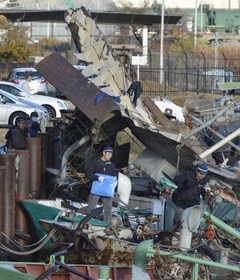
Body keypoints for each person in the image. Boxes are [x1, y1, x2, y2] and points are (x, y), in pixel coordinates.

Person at [172, 163, 209, 231]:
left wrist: (207, 198)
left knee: (191, 223)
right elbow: (177, 178)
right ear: (197, 171)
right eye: (200, 173)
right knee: (178, 220)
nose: (202, 176)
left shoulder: (205, 181)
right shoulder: (188, 175)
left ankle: (189, 237)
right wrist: (179, 184)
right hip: (182, 202)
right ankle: (174, 234)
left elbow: (204, 193)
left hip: (193, 205)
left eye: (204, 174)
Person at [85, 146, 117, 223]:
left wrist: (115, 182)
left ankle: (106, 225)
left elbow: (114, 176)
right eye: (109, 154)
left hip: (107, 191)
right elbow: (88, 173)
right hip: (96, 189)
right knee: (91, 207)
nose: (110, 156)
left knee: (108, 209)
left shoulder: (112, 165)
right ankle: (88, 223)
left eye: (111, 154)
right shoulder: (94, 162)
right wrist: (97, 178)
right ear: (104, 153)